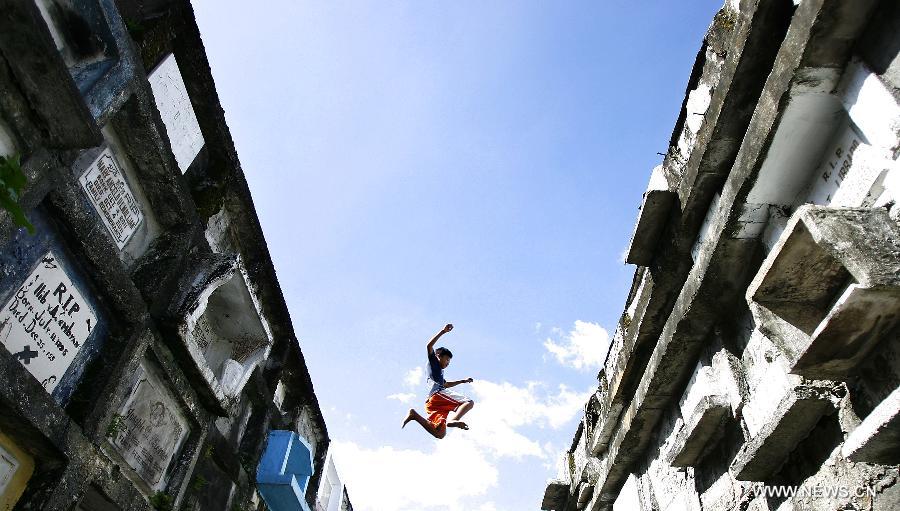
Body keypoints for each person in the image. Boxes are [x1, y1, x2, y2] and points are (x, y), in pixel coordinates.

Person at [401, 323, 475, 439]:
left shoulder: (439, 372)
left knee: (440, 433)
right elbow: (429, 346)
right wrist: (443, 331)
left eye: (449, 362)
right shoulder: (433, 362)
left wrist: (462, 381)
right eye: (446, 360)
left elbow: (445, 384)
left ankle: (414, 415)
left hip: (433, 403)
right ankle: (454, 419)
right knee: (468, 402)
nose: (447, 363)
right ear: (438, 356)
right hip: (437, 395)